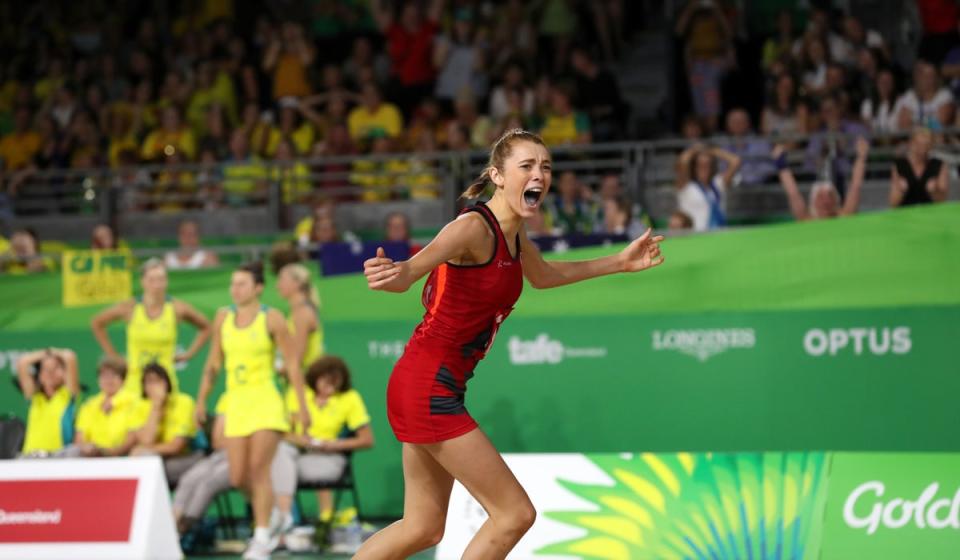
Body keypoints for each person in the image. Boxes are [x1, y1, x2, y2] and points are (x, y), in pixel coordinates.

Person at [354, 129, 664, 558]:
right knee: (514, 514)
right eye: (527, 166)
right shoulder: (470, 229)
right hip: (427, 387)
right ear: (498, 176)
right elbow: (409, 272)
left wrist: (620, 262)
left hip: (426, 385)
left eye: (546, 166)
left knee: (422, 527)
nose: (540, 174)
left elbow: (544, 276)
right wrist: (389, 274)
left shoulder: (514, 234)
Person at [195, 262, 310, 560]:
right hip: (235, 402)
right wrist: (200, 400)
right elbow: (213, 363)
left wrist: (301, 406)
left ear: (258, 287)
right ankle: (272, 513)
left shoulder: (272, 318)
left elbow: (293, 365)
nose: (236, 289)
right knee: (236, 477)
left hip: (266, 401)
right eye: (233, 283)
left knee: (259, 469)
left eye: (242, 284)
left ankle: (261, 539)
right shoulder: (222, 317)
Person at [273, 356, 375, 530]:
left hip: (330, 458)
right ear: (315, 377)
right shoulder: (299, 394)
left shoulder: (350, 398)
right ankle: (284, 517)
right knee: (279, 452)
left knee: (277, 470)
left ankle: (282, 520)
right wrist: (301, 440)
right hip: (298, 454)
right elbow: (283, 434)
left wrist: (333, 445)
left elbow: (367, 440)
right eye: (326, 383)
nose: (330, 390)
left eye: (335, 385)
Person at [91, 258, 211, 395]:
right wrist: (114, 356)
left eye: (161, 279)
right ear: (143, 282)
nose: (157, 285)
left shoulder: (177, 308)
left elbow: (206, 327)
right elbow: (97, 322)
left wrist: (188, 354)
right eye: (152, 280)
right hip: (135, 381)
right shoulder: (130, 307)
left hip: (165, 380)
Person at [129, 363, 202, 485]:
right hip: (156, 458)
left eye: (158, 381)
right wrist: (156, 407)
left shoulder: (184, 402)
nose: (154, 386)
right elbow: (147, 440)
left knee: (147, 467)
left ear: (167, 383)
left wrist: (144, 449)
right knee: (144, 464)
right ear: (144, 387)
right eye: (149, 382)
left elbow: (176, 447)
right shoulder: (139, 407)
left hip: (187, 457)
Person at [774, 138, 869, 221]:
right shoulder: (807, 220)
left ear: (836, 202)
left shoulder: (844, 217)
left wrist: (862, 157)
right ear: (813, 203)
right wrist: (781, 163)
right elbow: (793, 194)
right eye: (821, 197)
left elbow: (855, 187)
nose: (826, 202)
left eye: (829, 196)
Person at [16, 348, 80, 457]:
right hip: (31, 455)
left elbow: (70, 357)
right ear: (39, 375)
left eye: (55, 368)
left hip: (59, 455)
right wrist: (46, 354)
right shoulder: (35, 397)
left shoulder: (67, 395)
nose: (50, 372)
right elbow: (22, 362)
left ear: (64, 373)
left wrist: (52, 352)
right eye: (45, 369)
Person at [74, 356, 139, 457]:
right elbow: (80, 438)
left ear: (123, 379)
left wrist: (110, 453)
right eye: (104, 376)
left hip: (124, 456)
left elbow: (133, 436)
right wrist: (88, 449)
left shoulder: (135, 401)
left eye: (114, 375)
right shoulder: (89, 405)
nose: (109, 380)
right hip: (92, 457)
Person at [675, 144, 742, 231]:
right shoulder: (686, 186)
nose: (704, 168)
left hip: (719, 233)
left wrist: (712, 151)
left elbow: (735, 161)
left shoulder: (718, 183)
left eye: (708, 164)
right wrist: (695, 150)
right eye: (700, 165)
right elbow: (683, 161)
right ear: (694, 167)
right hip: (694, 235)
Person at [890, 127, 949, 206]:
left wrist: (934, 192)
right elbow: (893, 203)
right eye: (919, 144)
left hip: (930, 214)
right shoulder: (899, 165)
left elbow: (942, 201)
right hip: (906, 215)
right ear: (911, 143)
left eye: (926, 145)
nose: (922, 149)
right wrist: (901, 192)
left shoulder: (939, 165)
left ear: (931, 146)